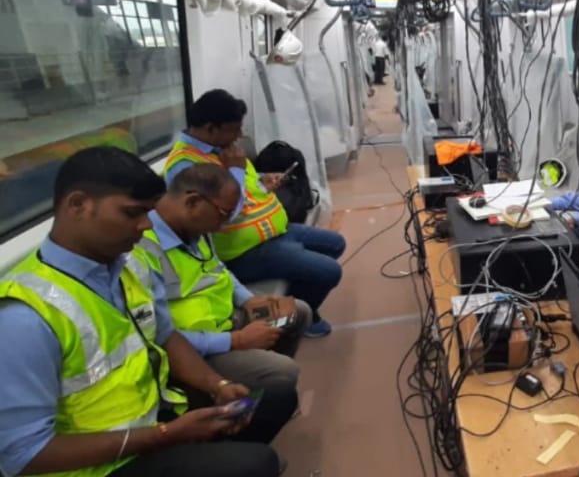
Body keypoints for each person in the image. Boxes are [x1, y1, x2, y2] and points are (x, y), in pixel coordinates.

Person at [0, 147, 281, 477]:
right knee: (256, 465)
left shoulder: (129, 266)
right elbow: (24, 454)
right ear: (77, 205)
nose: (146, 226)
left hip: (152, 420)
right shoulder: (25, 318)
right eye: (132, 213)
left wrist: (216, 384)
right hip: (96, 467)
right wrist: (165, 436)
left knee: (273, 397)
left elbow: (165, 336)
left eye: (148, 213)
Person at [138, 164, 311, 443]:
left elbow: (219, 270)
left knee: (296, 313)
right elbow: (161, 336)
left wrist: (250, 300)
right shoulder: (143, 250)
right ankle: (243, 430)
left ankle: (257, 401)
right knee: (283, 373)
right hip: (197, 348)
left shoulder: (196, 229)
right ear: (193, 202)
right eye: (222, 215)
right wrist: (237, 340)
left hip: (228, 321)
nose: (224, 225)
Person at [165, 89, 345, 337]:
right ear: (210, 128)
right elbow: (223, 213)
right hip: (241, 251)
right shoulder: (186, 166)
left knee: (335, 244)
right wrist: (237, 171)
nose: (239, 135)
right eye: (233, 129)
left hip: (271, 233)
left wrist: (262, 180)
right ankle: (303, 316)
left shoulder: (223, 149)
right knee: (329, 271)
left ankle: (297, 297)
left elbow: (245, 185)